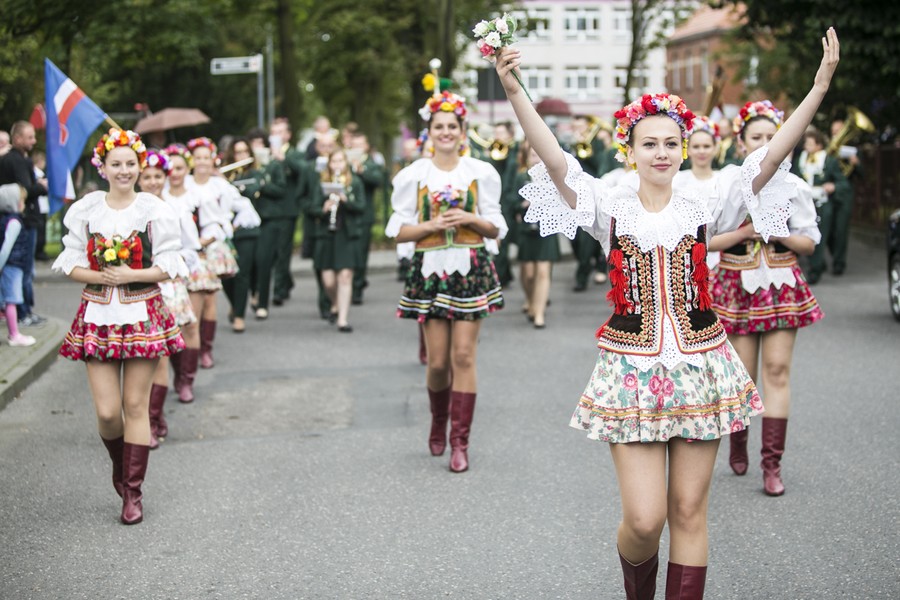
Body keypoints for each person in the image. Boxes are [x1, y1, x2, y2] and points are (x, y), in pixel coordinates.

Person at [495, 27, 838, 598]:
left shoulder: (710, 197)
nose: (661, 153)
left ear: (684, 149)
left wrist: (820, 84)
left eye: (671, 143)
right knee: (644, 520)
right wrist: (513, 90)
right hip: (631, 373)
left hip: (702, 366)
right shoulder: (609, 202)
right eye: (649, 143)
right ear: (629, 149)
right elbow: (554, 158)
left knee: (688, 512)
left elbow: (774, 154)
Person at [51, 128, 187, 524]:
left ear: (139, 166)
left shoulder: (154, 210)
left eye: (131, 164)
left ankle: (133, 492)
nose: (124, 170)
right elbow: (69, 261)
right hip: (97, 317)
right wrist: (99, 274)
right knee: (109, 413)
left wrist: (132, 273)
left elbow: (170, 264)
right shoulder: (87, 209)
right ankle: (119, 470)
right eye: (117, 164)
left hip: (143, 313)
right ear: (103, 167)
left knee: (134, 405)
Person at [387, 87, 507, 473]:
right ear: (430, 131)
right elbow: (398, 231)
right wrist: (431, 225)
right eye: (438, 126)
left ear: (461, 129)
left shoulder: (481, 172)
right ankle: (438, 419)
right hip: (429, 271)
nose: (445, 132)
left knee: (463, 356)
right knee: (438, 362)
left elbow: (495, 227)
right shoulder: (413, 176)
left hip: (472, 269)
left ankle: (460, 441)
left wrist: (469, 219)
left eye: (451, 126)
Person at [711, 102, 826, 498]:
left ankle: (771, 464)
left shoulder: (796, 188)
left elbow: (809, 242)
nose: (765, 145)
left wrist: (778, 232)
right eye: (756, 138)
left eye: (772, 138)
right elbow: (707, 236)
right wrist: (744, 232)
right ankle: (738, 440)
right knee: (743, 375)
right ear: (741, 143)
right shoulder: (728, 184)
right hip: (736, 282)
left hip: (780, 282)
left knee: (777, 371)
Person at [138, 149, 199, 447]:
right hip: (136, 288)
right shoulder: (131, 209)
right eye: (146, 176)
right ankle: (151, 418)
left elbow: (191, 246)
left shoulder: (174, 208)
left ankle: (154, 415)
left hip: (168, 285)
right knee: (151, 355)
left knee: (166, 348)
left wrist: (174, 263)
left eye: (156, 176)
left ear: (165, 177)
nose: (151, 182)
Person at [185, 137, 259, 368]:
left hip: (212, 246)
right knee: (190, 299)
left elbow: (244, 208)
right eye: (198, 158)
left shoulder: (220, 185)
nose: (202, 162)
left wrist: (225, 228)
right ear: (192, 160)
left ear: (213, 159)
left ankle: (205, 348)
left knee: (208, 298)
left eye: (206, 157)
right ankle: (190, 344)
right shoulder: (184, 184)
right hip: (188, 247)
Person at [162, 143, 225, 403]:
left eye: (179, 167)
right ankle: (177, 371)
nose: (174, 173)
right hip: (168, 269)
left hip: (194, 265)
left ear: (186, 168)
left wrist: (201, 244)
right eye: (170, 168)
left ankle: (187, 379)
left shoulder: (198, 197)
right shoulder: (159, 196)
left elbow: (216, 225)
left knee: (191, 323)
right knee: (173, 326)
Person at [311, 148, 365, 331]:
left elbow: (361, 207)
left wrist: (346, 200)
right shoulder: (321, 183)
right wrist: (323, 208)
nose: (337, 165)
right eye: (334, 162)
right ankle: (334, 302)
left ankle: (343, 319)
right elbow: (312, 208)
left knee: (345, 276)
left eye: (341, 161)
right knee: (328, 281)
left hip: (346, 235)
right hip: (327, 234)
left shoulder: (354, 182)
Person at [0, 121, 48, 327]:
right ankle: (24, 312)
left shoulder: (10, 160)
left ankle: (20, 311)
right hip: (24, 221)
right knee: (24, 270)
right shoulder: (18, 161)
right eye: (30, 137)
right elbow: (25, 190)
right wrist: (41, 186)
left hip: (19, 220)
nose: (34, 141)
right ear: (17, 138)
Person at [793, 128, 852, 282]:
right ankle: (816, 265)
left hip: (822, 203)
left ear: (819, 145)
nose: (807, 147)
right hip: (804, 202)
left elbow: (843, 183)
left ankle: (816, 269)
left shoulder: (829, 160)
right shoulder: (801, 158)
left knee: (819, 236)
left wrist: (833, 186)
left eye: (810, 144)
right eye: (806, 144)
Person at [514, 139, 559, 328]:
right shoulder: (520, 176)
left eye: (540, 155)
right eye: (533, 155)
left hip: (546, 228)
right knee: (529, 274)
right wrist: (522, 205)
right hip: (526, 229)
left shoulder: (554, 176)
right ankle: (531, 300)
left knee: (542, 272)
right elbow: (509, 199)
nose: (537, 159)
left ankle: (539, 313)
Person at [348, 132, 386, 305]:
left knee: (361, 253)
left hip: (364, 216)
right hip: (347, 215)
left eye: (360, 144)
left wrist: (361, 171)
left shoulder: (370, 164)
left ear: (366, 146)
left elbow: (377, 181)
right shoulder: (344, 163)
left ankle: (357, 288)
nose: (357, 148)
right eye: (354, 144)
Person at [0, 183, 36, 346]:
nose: (23, 204)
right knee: (12, 300)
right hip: (12, 266)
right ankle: (14, 335)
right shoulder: (14, 222)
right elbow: (6, 248)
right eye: (21, 201)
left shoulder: (6, 220)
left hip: (11, 265)